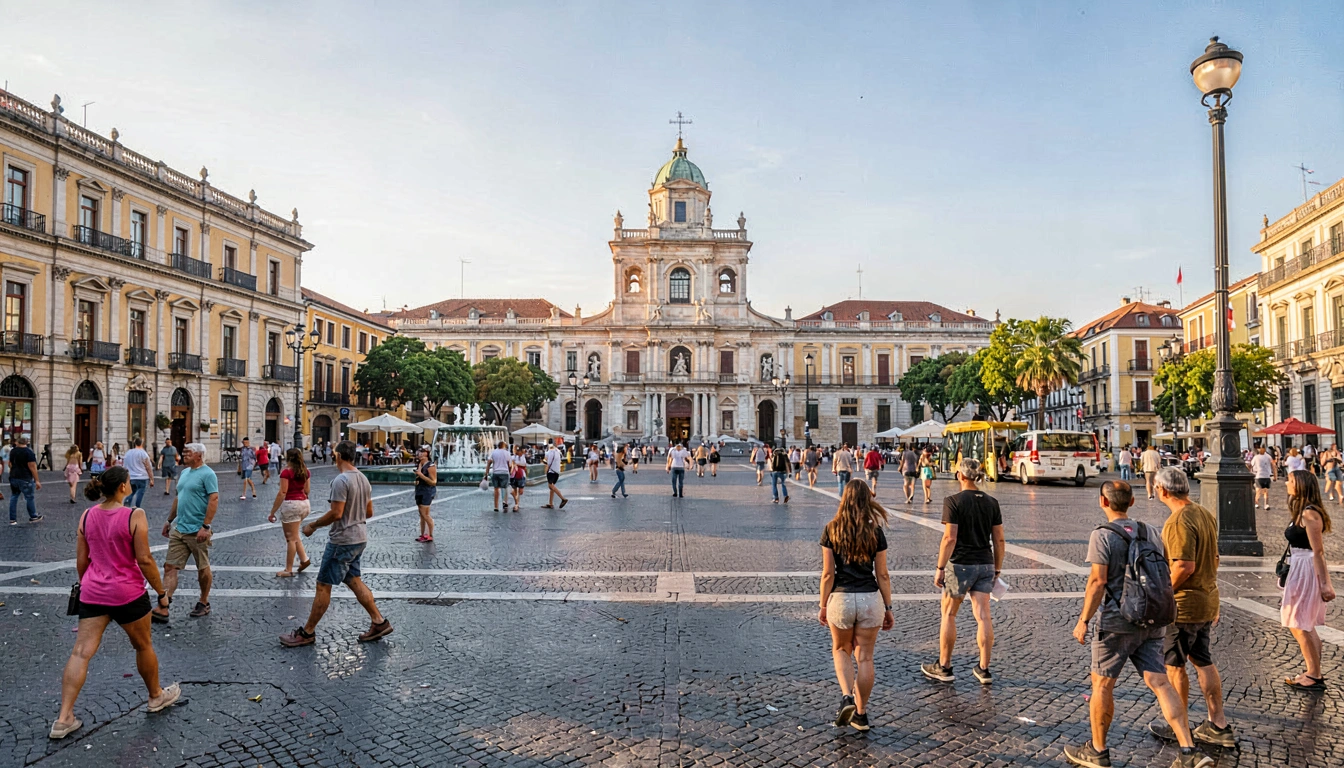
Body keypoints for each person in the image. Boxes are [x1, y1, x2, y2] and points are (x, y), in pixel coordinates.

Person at [1064, 479, 1215, 768]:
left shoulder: (1103, 535)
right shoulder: (1151, 531)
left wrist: (1083, 620)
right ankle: (1188, 749)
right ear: (1132, 502)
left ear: (1103, 502)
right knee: (1160, 682)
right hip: (1152, 618)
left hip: (1117, 621)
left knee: (1102, 684)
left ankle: (1097, 750)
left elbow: (1098, 581)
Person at [49, 467, 180, 741]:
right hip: (128, 593)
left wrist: (92, 584)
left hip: (93, 592)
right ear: (122, 487)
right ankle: (156, 696)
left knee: (80, 653)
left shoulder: (87, 515)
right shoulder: (135, 515)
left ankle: (63, 718)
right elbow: (144, 560)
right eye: (129, 482)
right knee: (143, 645)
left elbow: (82, 562)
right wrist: (160, 591)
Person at [1146, 468, 1235, 749]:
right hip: (1206, 600)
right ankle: (1218, 723)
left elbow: (1184, 565)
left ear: (1162, 490)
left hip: (1183, 606)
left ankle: (1179, 727)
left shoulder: (1178, 521)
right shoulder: (1203, 513)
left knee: (1174, 666)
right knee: (1202, 660)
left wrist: (1163, 594)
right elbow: (1215, 556)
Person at [280, 440, 392, 647]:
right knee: (354, 580)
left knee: (323, 585)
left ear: (339, 456)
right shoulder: (363, 479)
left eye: (334, 453)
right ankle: (379, 622)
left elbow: (336, 513)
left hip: (343, 540)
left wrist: (312, 526)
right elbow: (369, 512)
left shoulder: (341, 481)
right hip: (360, 537)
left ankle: (307, 632)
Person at [819, 479, 893, 731]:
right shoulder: (876, 532)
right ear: (867, 500)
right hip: (870, 599)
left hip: (840, 599)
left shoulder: (831, 529)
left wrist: (822, 605)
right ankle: (861, 715)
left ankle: (846, 697)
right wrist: (889, 607)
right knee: (866, 658)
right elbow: (882, 574)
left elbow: (828, 574)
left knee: (841, 650)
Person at [923, 458, 1003, 685]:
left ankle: (945, 666)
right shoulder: (992, 502)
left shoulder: (953, 501)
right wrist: (997, 568)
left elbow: (950, 538)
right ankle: (984, 669)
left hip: (960, 564)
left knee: (949, 614)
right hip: (985, 563)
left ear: (960, 475)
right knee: (983, 616)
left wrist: (940, 568)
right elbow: (999, 539)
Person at [1281, 470, 1337, 689]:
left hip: (1306, 568)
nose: (1287, 483)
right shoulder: (1302, 511)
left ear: (1301, 485)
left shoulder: (1309, 515)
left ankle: (1314, 674)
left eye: (1291, 480)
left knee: (1299, 621)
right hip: (1299, 565)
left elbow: (1318, 552)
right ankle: (1313, 671)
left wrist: (1325, 583)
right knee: (1302, 621)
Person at [153, 443, 218, 621]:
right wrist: (169, 520)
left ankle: (204, 602)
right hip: (179, 528)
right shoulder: (184, 473)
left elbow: (214, 499)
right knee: (170, 566)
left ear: (199, 455)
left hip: (197, 529)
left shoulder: (208, 474)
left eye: (188, 452)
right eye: (184, 452)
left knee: (202, 567)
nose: (184, 454)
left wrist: (206, 526)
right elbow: (178, 497)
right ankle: (164, 606)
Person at [267, 447, 313, 575]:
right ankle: (304, 559)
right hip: (305, 504)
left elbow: (282, 492)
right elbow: (307, 490)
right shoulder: (306, 472)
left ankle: (288, 569)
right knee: (295, 534)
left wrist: (273, 512)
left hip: (291, 504)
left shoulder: (286, 473)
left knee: (290, 538)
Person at [8, 434, 41, 524]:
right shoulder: (28, 452)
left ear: (18, 442)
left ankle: (12, 519)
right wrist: (37, 480)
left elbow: (10, 464)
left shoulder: (13, 451)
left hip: (14, 477)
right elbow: (32, 467)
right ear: (26, 442)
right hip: (25, 478)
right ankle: (33, 516)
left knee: (14, 497)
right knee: (29, 497)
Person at [407, 446, 436, 540]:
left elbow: (433, 481)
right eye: (419, 452)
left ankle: (430, 535)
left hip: (427, 491)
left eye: (422, 452)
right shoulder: (420, 464)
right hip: (420, 490)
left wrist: (421, 475)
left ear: (427, 453)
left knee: (425, 514)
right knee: (421, 514)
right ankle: (423, 534)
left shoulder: (430, 466)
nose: (420, 454)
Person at [123, 438, 154, 509]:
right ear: (142, 443)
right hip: (142, 477)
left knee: (131, 492)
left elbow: (125, 466)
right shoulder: (143, 453)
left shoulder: (128, 453)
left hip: (131, 476)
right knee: (140, 492)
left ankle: (127, 502)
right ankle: (137, 507)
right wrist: (151, 479)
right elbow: (148, 467)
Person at [487, 440, 514, 512]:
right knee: (505, 488)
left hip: (496, 472)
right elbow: (510, 465)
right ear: (504, 446)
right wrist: (510, 471)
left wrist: (486, 474)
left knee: (496, 489)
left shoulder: (494, 452)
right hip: (505, 472)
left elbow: (489, 462)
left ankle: (496, 507)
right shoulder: (507, 453)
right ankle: (505, 502)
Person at [542, 439, 568, 509]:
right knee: (551, 488)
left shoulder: (548, 452)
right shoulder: (558, 451)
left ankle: (563, 499)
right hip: (557, 472)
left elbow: (547, 462)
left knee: (551, 486)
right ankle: (550, 503)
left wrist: (545, 471)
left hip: (551, 471)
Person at [1250, 445, 1274, 509]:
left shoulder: (1256, 457)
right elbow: (1273, 465)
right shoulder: (1268, 456)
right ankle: (1266, 504)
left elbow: (1251, 464)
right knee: (1265, 492)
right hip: (1266, 475)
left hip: (1258, 476)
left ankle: (1256, 503)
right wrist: (1274, 475)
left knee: (1258, 491)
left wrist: (1251, 471)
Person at [511, 444, 528, 509]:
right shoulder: (514, 457)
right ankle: (516, 504)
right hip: (514, 475)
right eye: (517, 451)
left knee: (520, 491)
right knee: (514, 490)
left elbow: (524, 465)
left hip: (521, 475)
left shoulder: (523, 457)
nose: (518, 452)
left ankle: (517, 503)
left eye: (519, 451)